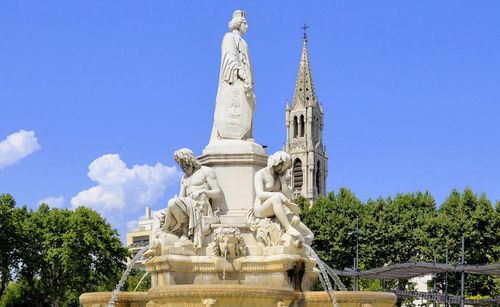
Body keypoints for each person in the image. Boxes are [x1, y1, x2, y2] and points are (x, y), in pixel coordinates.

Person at [148, 148, 222, 256]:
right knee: (157, 215)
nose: (182, 166)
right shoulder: (184, 178)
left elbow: (218, 192)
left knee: (172, 203)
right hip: (186, 205)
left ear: (190, 160)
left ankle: (176, 231)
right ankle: (156, 243)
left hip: (199, 206)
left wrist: (203, 192)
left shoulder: (205, 171)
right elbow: (181, 197)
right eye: (179, 163)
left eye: (183, 162)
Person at [210, 10, 256, 142]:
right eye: (245, 23)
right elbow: (229, 57)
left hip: (245, 84)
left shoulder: (244, 43)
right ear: (239, 24)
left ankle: (246, 136)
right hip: (235, 81)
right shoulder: (229, 37)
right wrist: (240, 73)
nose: (247, 26)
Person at [253, 151, 314, 242]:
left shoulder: (279, 176)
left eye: (286, 168)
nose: (283, 170)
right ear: (277, 163)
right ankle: (288, 228)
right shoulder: (260, 174)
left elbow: (288, 196)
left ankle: (302, 242)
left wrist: (283, 181)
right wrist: (278, 194)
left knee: (297, 221)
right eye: (284, 166)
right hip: (261, 208)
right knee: (276, 198)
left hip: (276, 208)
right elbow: (260, 195)